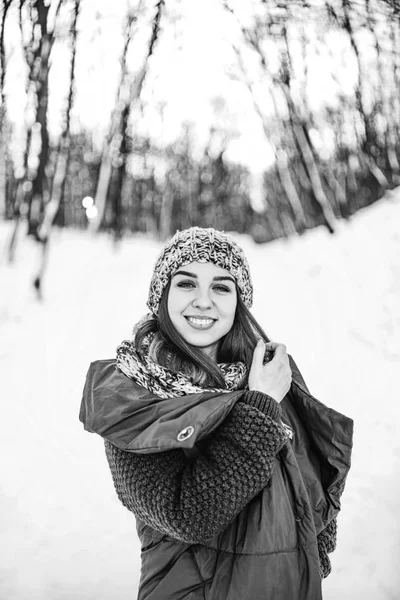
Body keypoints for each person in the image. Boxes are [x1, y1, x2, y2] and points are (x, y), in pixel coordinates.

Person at [79, 226, 353, 600]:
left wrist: (312, 550)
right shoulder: (132, 395)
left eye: (221, 287)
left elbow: (309, 470)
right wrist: (260, 409)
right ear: (162, 295)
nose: (204, 301)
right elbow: (189, 515)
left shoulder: (261, 372)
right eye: (187, 284)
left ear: (238, 302)